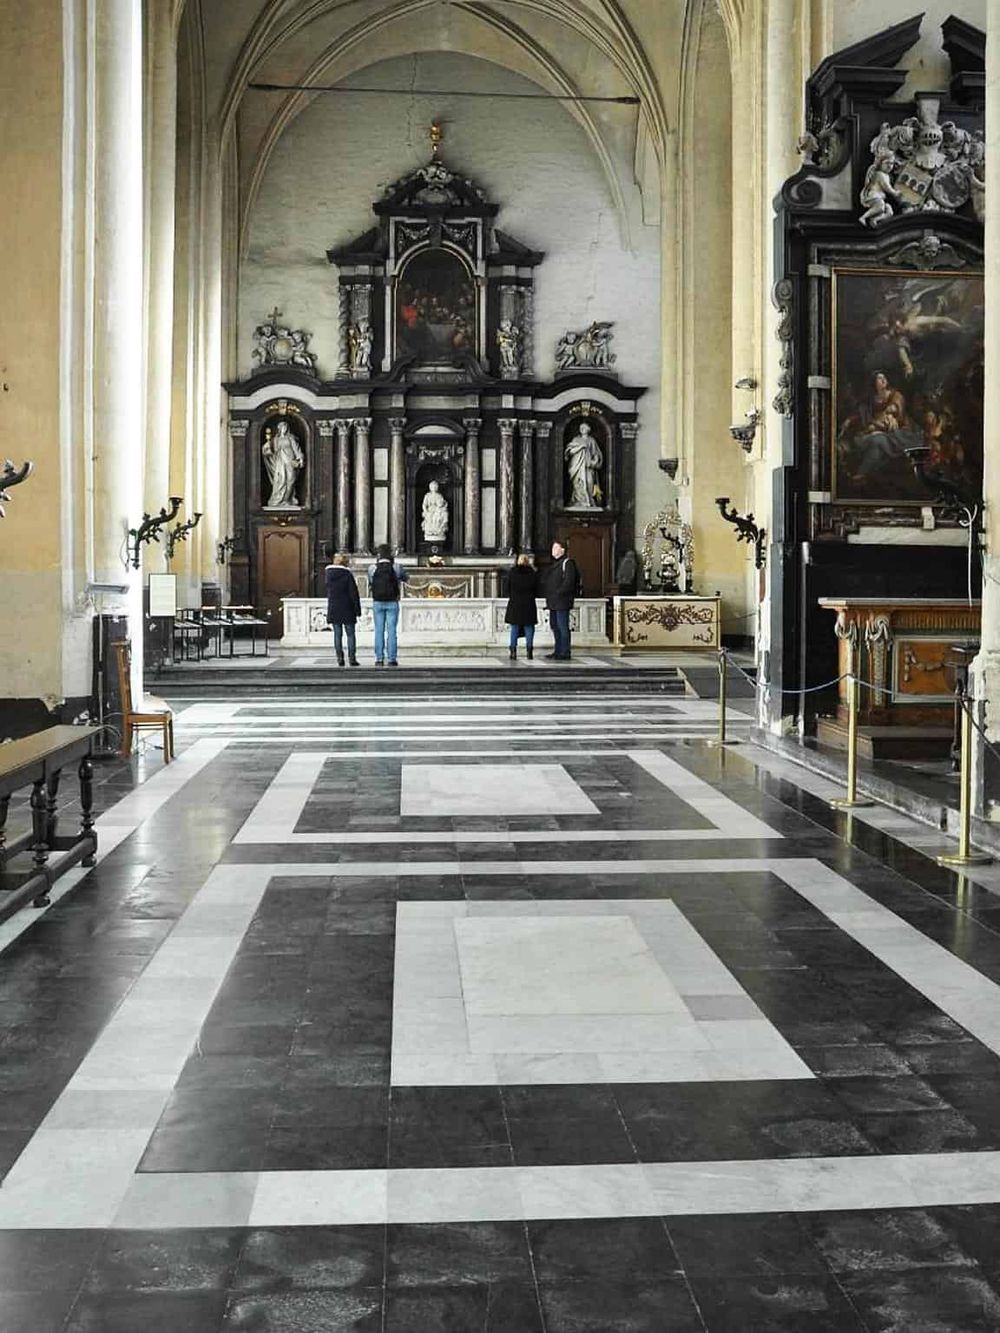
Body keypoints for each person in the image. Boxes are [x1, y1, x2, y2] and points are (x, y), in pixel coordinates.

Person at [367, 543, 409, 667]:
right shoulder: (396, 567)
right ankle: (392, 659)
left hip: (378, 602)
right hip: (392, 602)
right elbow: (406, 578)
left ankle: (379, 658)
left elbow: (370, 582)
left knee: (379, 631)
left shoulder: (372, 568)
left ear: (378, 555)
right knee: (391, 631)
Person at [543, 539, 579, 661]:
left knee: (562, 627)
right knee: (555, 626)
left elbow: (569, 582)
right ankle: (558, 650)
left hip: (562, 601)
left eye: (555, 547)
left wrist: (558, 593)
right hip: (553, 601)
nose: (553, 550)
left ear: (562, 550)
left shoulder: (568, 563)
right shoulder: (554, 564)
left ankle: (565, 651)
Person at [324, 549, 361, 667]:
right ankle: (352, 658)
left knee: (337, 634)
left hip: (334, 606)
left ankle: (340, 658)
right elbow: (353, 593)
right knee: (350, 634)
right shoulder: (347, 574)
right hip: (347, 607)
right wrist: (357, 609)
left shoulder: (328, 574)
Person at [504, 553, 539, 661]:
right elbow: (537, 589)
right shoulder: (532, 573)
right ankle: (529, 651)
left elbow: (507, 588)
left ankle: (513, 651)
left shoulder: (512, 572)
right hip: (529, 603)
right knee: (529, 627)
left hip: (515, 603)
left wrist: (513, 596)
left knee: (514, 627)